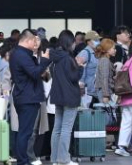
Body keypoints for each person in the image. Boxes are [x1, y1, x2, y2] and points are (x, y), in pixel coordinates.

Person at [10, 29, 51, 165]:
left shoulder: (23, 54)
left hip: (27, 96)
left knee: (25, 132)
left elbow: (38, 74)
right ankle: (22, 161)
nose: (36, 44)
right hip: (27, 98)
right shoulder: (21, 55)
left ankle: (23, 160)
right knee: (25, 133)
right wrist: (44, 60)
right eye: (34, 41)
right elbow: (34, 73)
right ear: (28, 40)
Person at [48, 30, 83, 165]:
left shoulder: (54, 57)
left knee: (57, 129)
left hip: (57, 96)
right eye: (73, 41)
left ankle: (55, 159)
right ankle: (64, 159)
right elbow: (74, 77)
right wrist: (80, 67)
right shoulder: (68, 59)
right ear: (69, 42)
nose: (74, 44)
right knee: (66, 129)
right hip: (69, 96)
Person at [76, 31, 100, 108]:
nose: (98, 42)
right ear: (89, 42)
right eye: (96, 40)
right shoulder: (85, 53)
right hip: (86, 91)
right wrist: (81, 86)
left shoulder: (96, 53)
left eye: (98, 40)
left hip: (94, 90)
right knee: (86, 113)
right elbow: (79, 69)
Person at [94, 38, 116, 104]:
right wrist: (106, 95)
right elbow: (104, 78)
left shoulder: (103, 59)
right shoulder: (105, 60)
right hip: (104, 91)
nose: (115, 50)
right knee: (106, 112)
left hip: (103, 90)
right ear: (108, 50)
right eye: (113, 48)